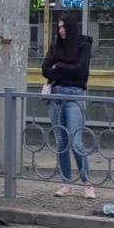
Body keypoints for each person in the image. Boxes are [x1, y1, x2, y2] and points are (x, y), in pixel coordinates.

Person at [41, 15, 94, 198]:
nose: (61, 30)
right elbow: (45, 69)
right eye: (59, 27)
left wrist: (60, 66)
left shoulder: (83, 45)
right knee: (61, 141)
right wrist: (63, 69)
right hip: (56, 95)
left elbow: (81, 70)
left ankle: (87, 183)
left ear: (71, 28)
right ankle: (66, 183)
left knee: (76, 141)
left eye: (64, 27)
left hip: (74, 95)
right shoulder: (56, 45)